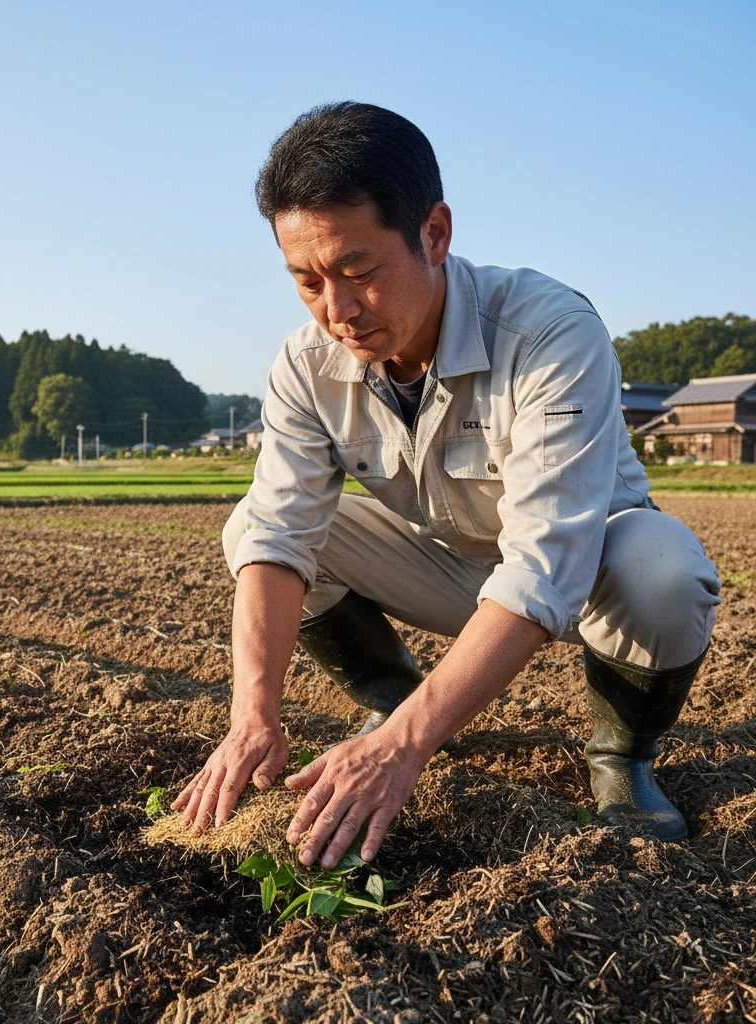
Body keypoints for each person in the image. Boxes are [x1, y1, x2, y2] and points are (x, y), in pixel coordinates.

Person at [171, 102, 720, 870]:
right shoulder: (306, 364)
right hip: (453, 570)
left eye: (358, 271)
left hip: (587, 570)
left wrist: (404, 751)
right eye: (307, 281)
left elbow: (544, 563)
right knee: (251, 532)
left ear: (434, 234)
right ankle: (396, 699)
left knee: (664, 567)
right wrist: (252, 715)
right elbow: (278, 533)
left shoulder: (548, 331)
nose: (339, 311)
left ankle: (621, 759)